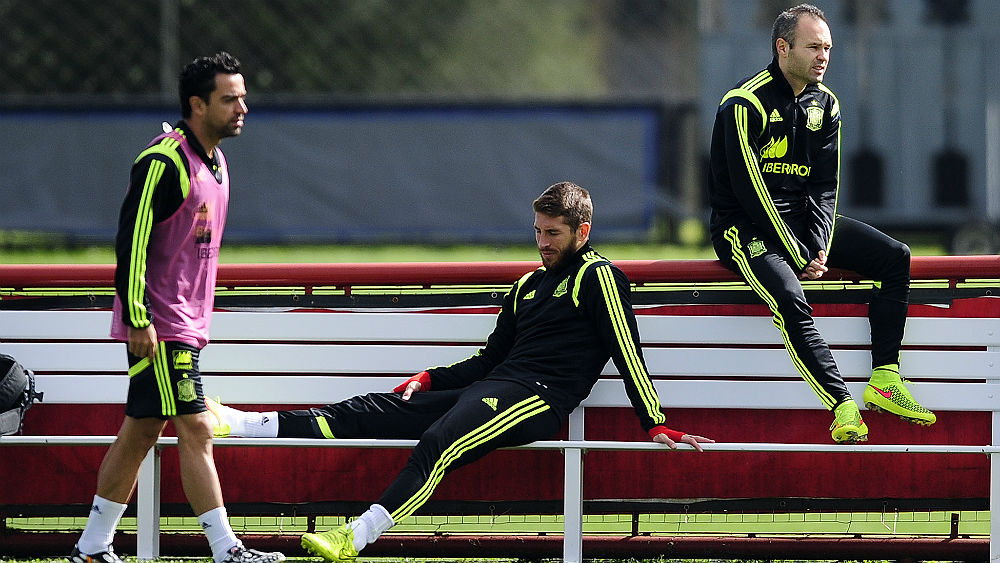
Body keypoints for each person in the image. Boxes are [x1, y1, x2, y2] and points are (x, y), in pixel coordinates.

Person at [205, 181, 714, 562]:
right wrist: (430, 378)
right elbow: (489, 360)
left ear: (582, 231)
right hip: (494, 386)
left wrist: (654, 420)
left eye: (553, 233)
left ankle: (355, 536)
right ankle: (240, 422)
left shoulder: (600, 276)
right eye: (537, 231)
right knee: (369, 410)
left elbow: (627, 349)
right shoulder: (528, 285)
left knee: (440, 440)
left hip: (537, 399)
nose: (542, 242)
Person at [69, 52, 284, 563]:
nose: (242, 107)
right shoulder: (163, 162)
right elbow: (132, 242)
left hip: (182, 324)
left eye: (243, 97)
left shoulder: (216, 160)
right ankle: (226, 549)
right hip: (161, 327)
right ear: (197, 104)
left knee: (141, 430)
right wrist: (139, 319)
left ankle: (92, 546)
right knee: (196, 427)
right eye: (229, 98)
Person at [708, 4, 935, 444]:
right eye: (813, 46)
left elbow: (824, 189)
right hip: (744, 227)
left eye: (827, 47)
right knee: (791, 296)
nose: (823, 56)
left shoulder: (826, 103)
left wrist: (818, 247)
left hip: (800, 225)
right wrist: (797, 255)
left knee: (896, 257)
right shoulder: (743, 103)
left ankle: (886, 379)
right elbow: (749, 190)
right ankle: (843, 406)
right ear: (782, 47)